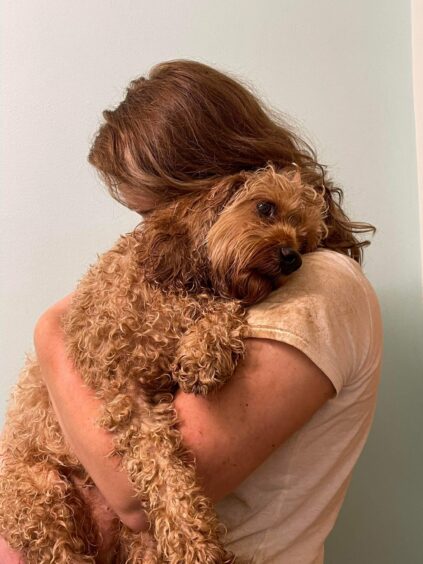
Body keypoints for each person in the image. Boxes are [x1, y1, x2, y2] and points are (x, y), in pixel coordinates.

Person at [0, 59, 383, 563]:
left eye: (162, 208)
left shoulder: (315, 284)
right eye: (143, 217)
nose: (150, 233)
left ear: (210, 181)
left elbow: (135, 493)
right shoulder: (200, 280)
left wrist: (49, 334)